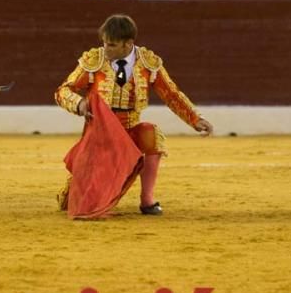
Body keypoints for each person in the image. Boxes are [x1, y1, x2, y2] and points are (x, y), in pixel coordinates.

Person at [54, 14, 212, 218]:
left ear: (128, 44)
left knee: (152, 134)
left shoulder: (148, 63)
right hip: (101, 135)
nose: (105, 49)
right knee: (87, 196)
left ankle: (147, 201)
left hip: (129, 130)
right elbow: (62, 91)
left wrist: (194, 119)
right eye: (104, 43)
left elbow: (171, 94)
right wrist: (80, 103)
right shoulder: (94, 61)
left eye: (111, 45)